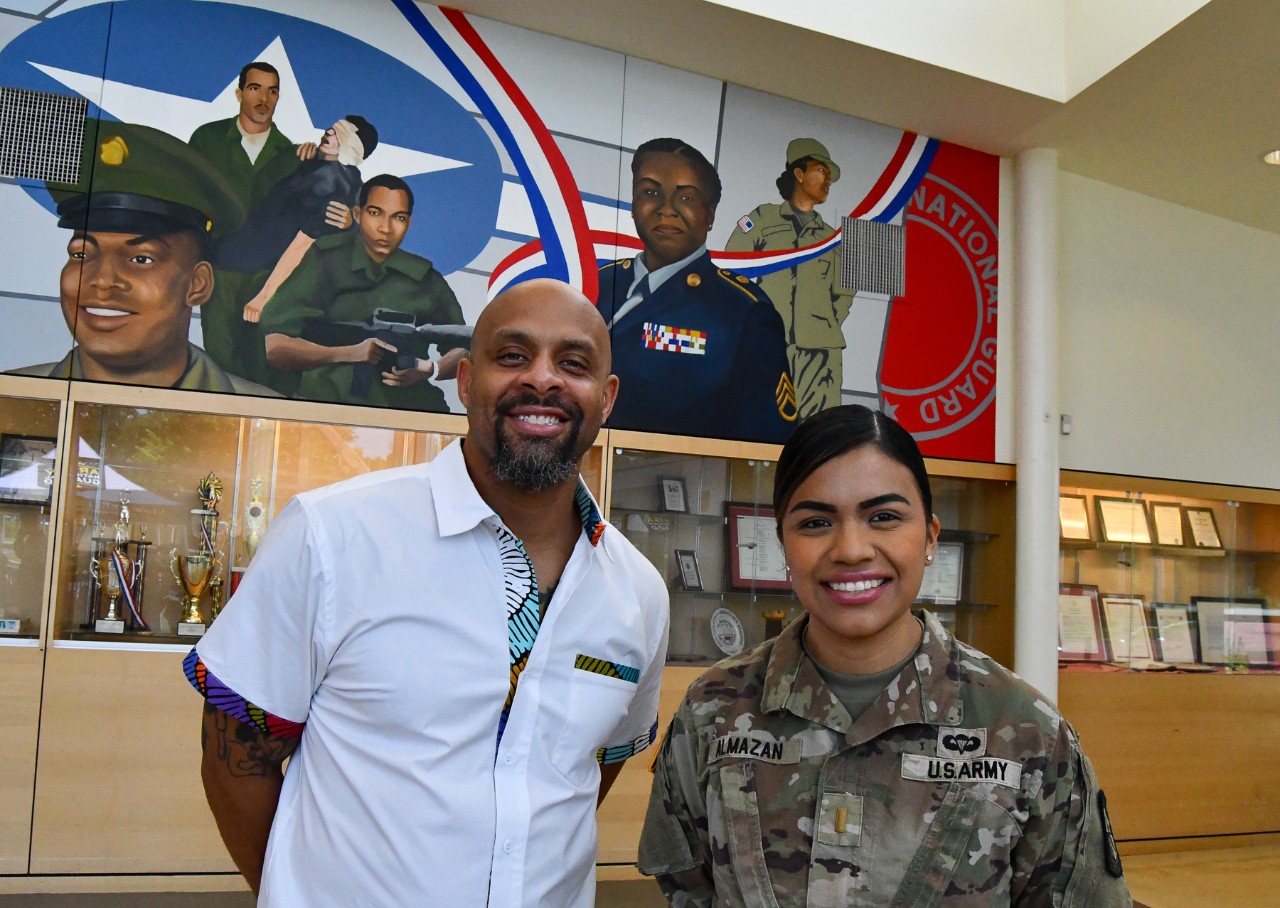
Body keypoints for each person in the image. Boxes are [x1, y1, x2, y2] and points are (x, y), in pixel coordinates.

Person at [186, 278, 670, 906]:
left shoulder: (638, 591)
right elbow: (234, 761)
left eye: (573, 364)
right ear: (466, 381)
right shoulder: (333, 535)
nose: (543, 380)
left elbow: (592, 767)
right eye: (513, 356)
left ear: (605, 400)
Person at [639, 405, 1132, 906]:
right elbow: (688, 887)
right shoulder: (714, 710)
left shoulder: (1027, 730)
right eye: (815, 522)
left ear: (930, 538)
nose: (852, 549)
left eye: (884, 517)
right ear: (782, 544)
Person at [10, 121, 274, 394]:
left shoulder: (269, 418)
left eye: (141, 259)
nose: (102, 280)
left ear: (198, 284)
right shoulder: (11, 400)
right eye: (81, 253)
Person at [597, 137, 796, 443]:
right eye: (650, 192)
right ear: (634, 206)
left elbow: (767, 445)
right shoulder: (594, 282)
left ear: (710, 215)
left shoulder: (743, 312)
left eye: (687, 198)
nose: (667, 209)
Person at [258, 174, 466, 410]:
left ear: (408, 223)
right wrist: (348, 353)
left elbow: (464, 349)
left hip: (408, 409)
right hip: (328, 406)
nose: (385, 228)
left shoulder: (426, 279)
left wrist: (430, 369)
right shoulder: (326, 261)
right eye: (375, 213)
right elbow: (275, 346)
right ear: (358, 214)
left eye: (398, 217)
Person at [725, 138, 854, 419]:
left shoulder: (832, 238)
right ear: (799, 173)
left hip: (820, 353)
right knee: (763, 422)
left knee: (820, 431)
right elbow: (733, 271)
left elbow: (845, 291)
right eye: (821, 170)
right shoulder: (762, 219)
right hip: (770, 346)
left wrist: (824, 321)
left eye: (830, 175)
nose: (828, 179)